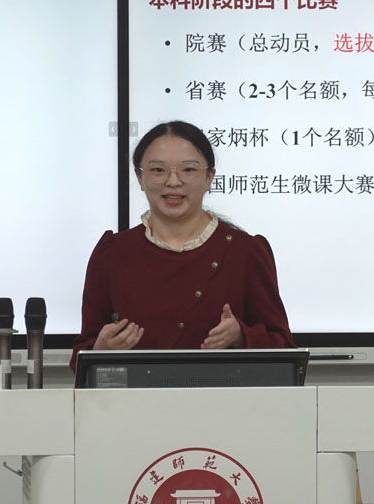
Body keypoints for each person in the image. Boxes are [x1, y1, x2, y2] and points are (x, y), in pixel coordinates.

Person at [70, 120, 294, 371]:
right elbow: (82, 355)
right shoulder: (112, 253)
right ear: (139, 177)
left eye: (188, 170)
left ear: (209, 177)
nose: (173, 181)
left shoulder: (245, 252)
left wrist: (241, 337)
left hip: (223, 394)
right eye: (158, 170)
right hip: (133, 396)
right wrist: (100, 350)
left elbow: (284, 348)